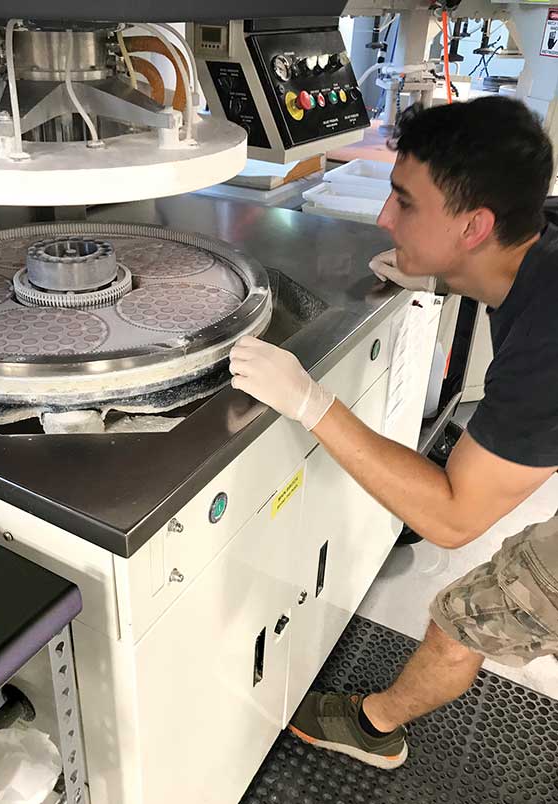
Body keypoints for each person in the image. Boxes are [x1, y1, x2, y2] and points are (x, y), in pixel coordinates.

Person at [229, 96, 558, 770]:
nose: (384, 218)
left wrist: (310, 401)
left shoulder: (549, 343)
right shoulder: (540, 245)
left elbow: (452, 514)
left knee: (472, 611)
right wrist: (439, 269)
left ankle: (371, 729)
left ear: (475, 226)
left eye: (405, 203)